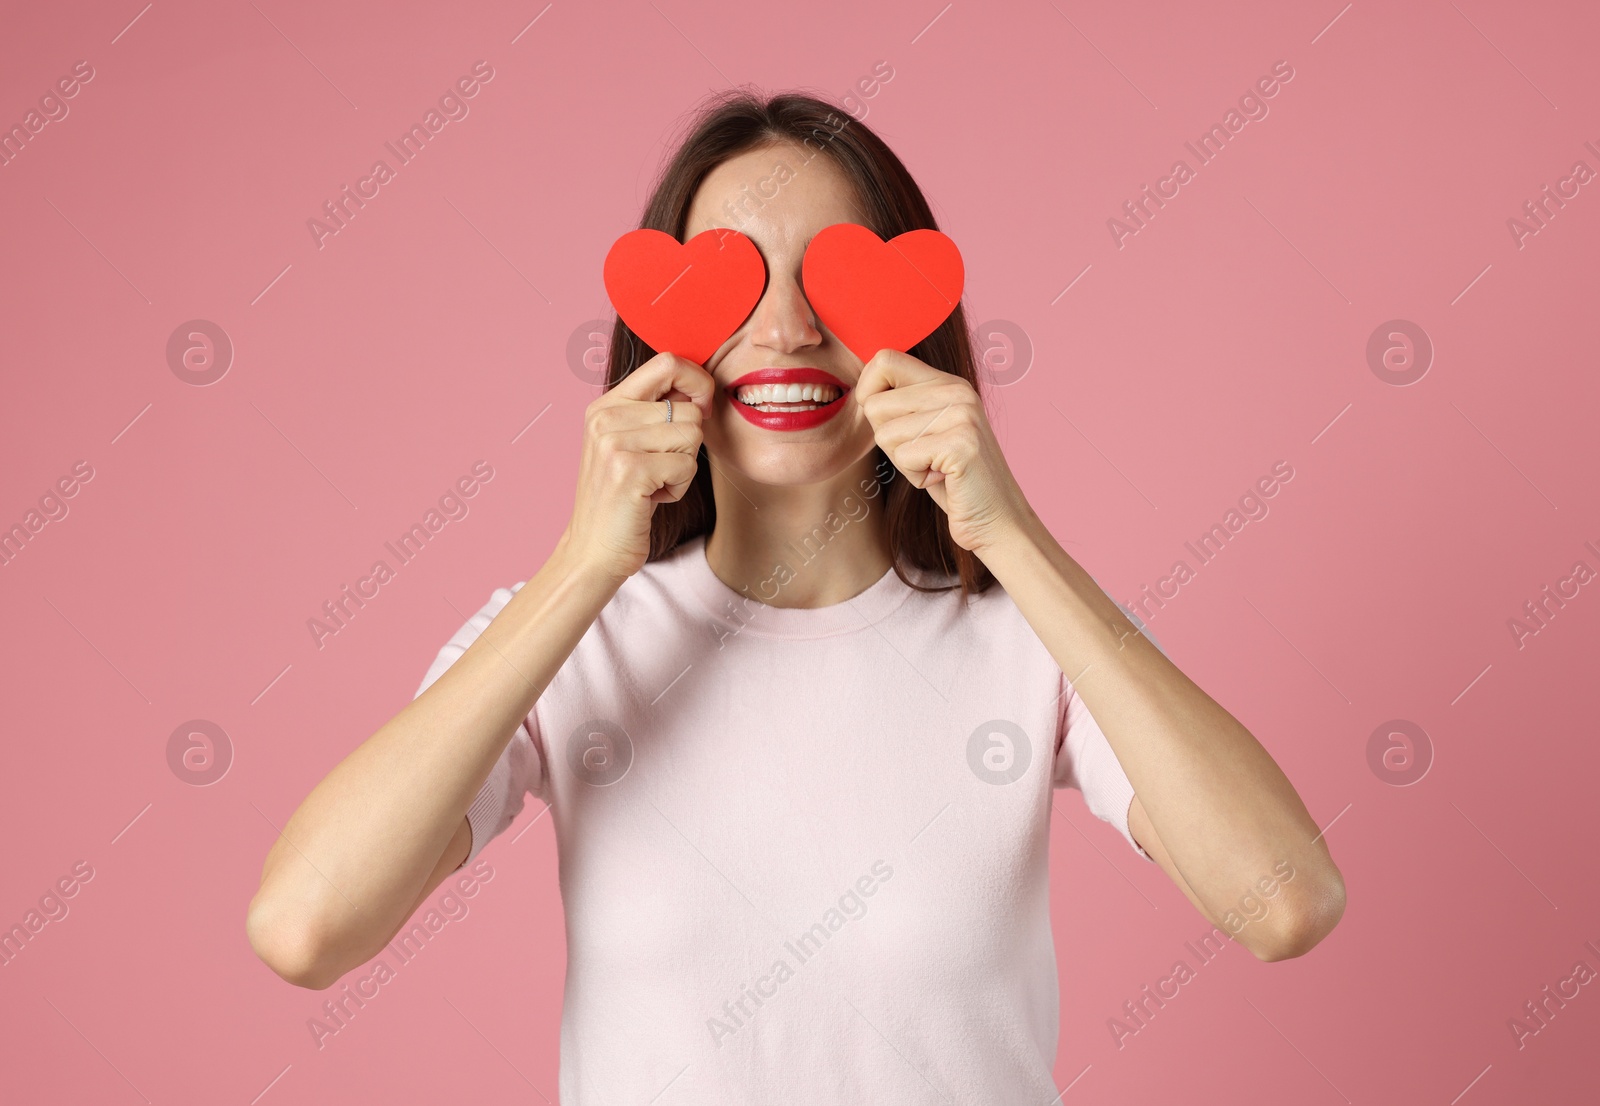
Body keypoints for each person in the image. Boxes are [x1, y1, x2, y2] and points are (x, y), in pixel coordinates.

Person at [247, 90, 1346, 1102]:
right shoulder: (569, 636)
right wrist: (585, 564)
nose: (783, 331)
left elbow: (1284, 900)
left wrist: (1007, 532)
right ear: (656, 328)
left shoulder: (1027, 630)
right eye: (733, 280)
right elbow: (306, 927)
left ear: (911, 320)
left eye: (831, 279)